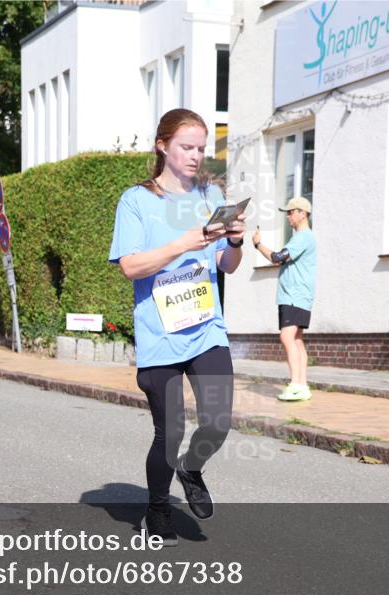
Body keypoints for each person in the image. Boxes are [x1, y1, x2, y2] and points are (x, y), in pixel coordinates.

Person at [109, 108, 246, 546]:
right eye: (187, 147)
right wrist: (182, 243)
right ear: (162, 145)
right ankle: (157, 508)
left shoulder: (209, 195)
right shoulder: (137, 200)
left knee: (219, 421)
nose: (195, 155)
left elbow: (227, 263)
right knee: (170, 431)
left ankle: (191, 469)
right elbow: (130, 266)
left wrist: (237, 241)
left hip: (206, 327)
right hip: (160, 332)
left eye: (202, 148)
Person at [251, 197, 317, 401]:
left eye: (291, 212)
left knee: (287, 337)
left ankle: (295, 384)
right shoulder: (301, 237)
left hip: (294, 296)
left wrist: (258, 245)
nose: (288, 216)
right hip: (300, 296)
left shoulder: (303, 237)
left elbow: (277, 257)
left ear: (303, 213)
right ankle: (303, 385)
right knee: (297, 340)